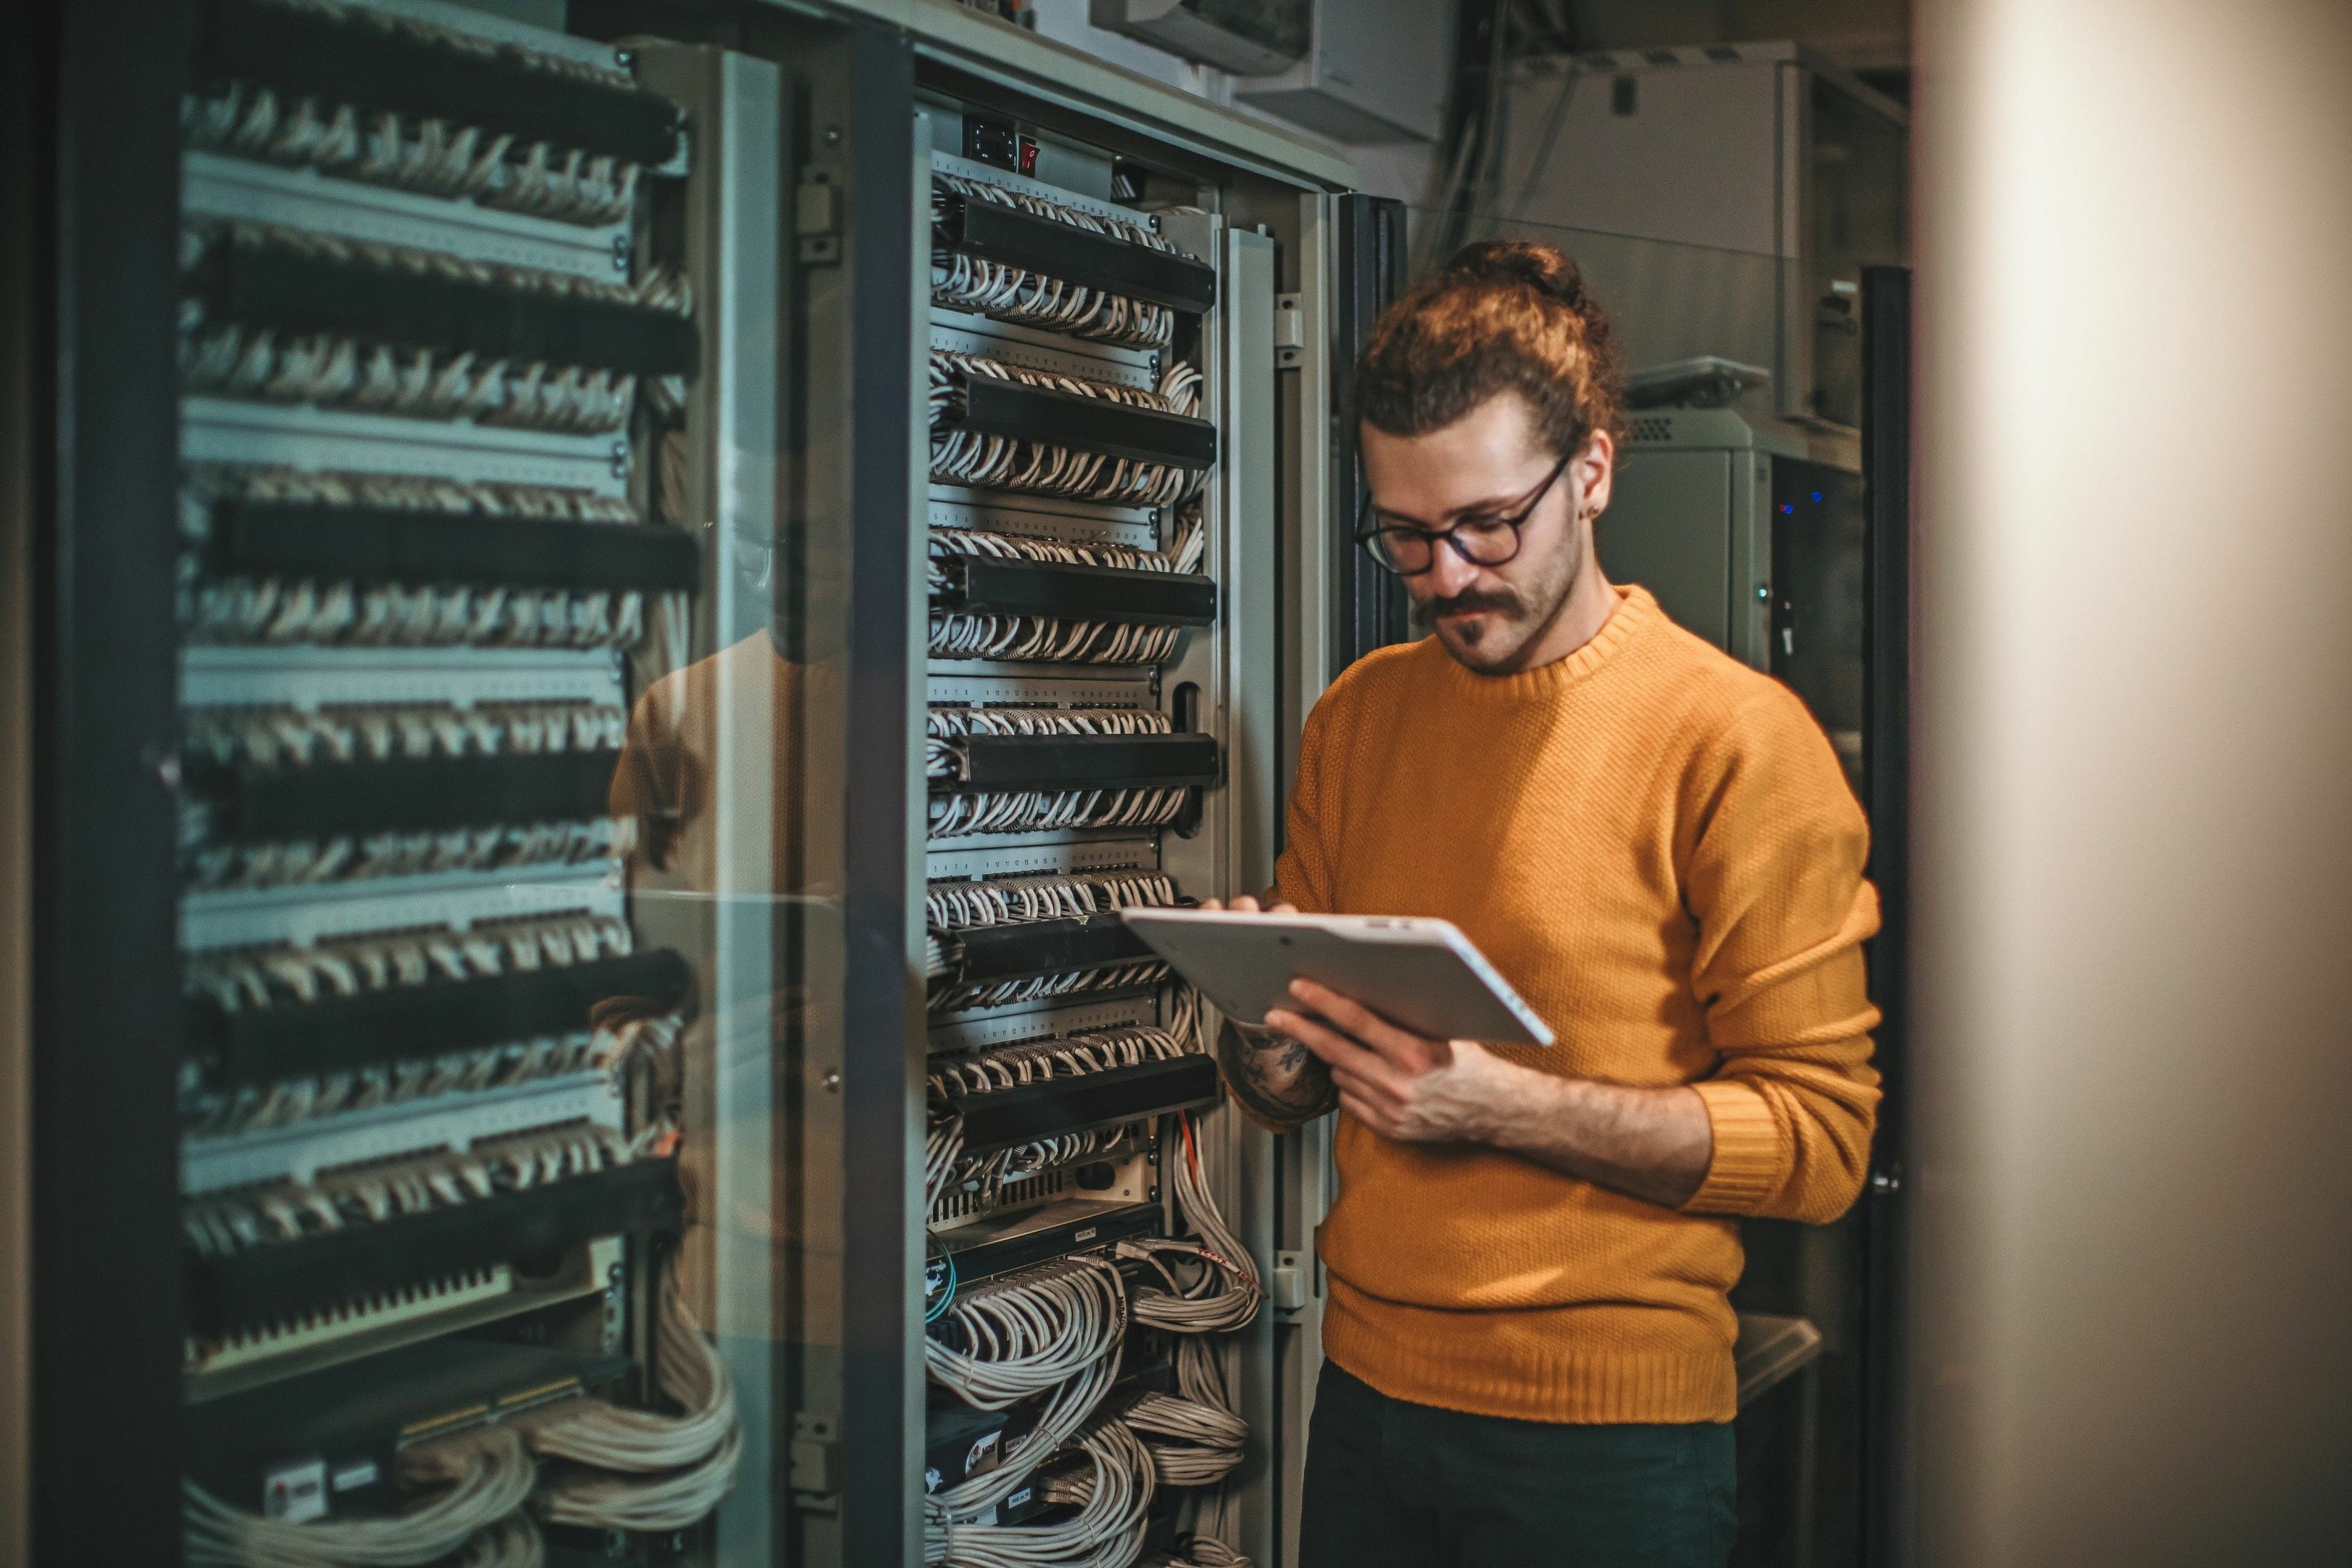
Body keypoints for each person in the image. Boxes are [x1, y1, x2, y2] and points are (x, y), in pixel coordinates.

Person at [1212, 242, 1882, 1567]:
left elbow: (1822, 1146)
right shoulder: (1360, 716)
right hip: (1366, 1399)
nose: (1448, 575)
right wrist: (1271, 1045)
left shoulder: (1734, 740)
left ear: (1592, 473)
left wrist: (1503, 1105)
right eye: (1405, 535)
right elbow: (1291, 1088)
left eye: (1485, 527)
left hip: (1609, 1450)